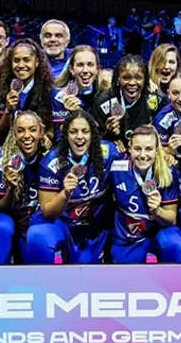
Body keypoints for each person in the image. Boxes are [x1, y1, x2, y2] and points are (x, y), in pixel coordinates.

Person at [28, 110, 118, 263]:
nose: (80, 137)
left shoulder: (108, 153)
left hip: (92, 229)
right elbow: (48, 212)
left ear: (92, 135)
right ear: (66, 135)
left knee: (82, 275)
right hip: (61, 223)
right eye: (73, 131)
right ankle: (41, 285)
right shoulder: (51, 163)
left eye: (85, 131)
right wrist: (65, 194)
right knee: (38, 236)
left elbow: (131, 169)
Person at [107, 125, 181, 263]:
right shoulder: (116, 168)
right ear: (130, 148)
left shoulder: (168, 172)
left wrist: (158, 211)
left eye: (149, 149)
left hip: (159, 231)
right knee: (126, 279)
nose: (143, 155)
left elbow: (171, 218)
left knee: (173, 244)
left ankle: (171, 283)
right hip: (128, 236)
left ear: (156, 151)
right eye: (137, 149)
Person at [0, 111, 49, 264]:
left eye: (32, 129)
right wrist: (11, 190)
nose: (27, 135)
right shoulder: (1, 161)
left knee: (39, 231)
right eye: (21, 130)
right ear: (14, 134)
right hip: (5, 216)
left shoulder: (49, 160)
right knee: (3, 226)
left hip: (33, 219)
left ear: (41, 133)